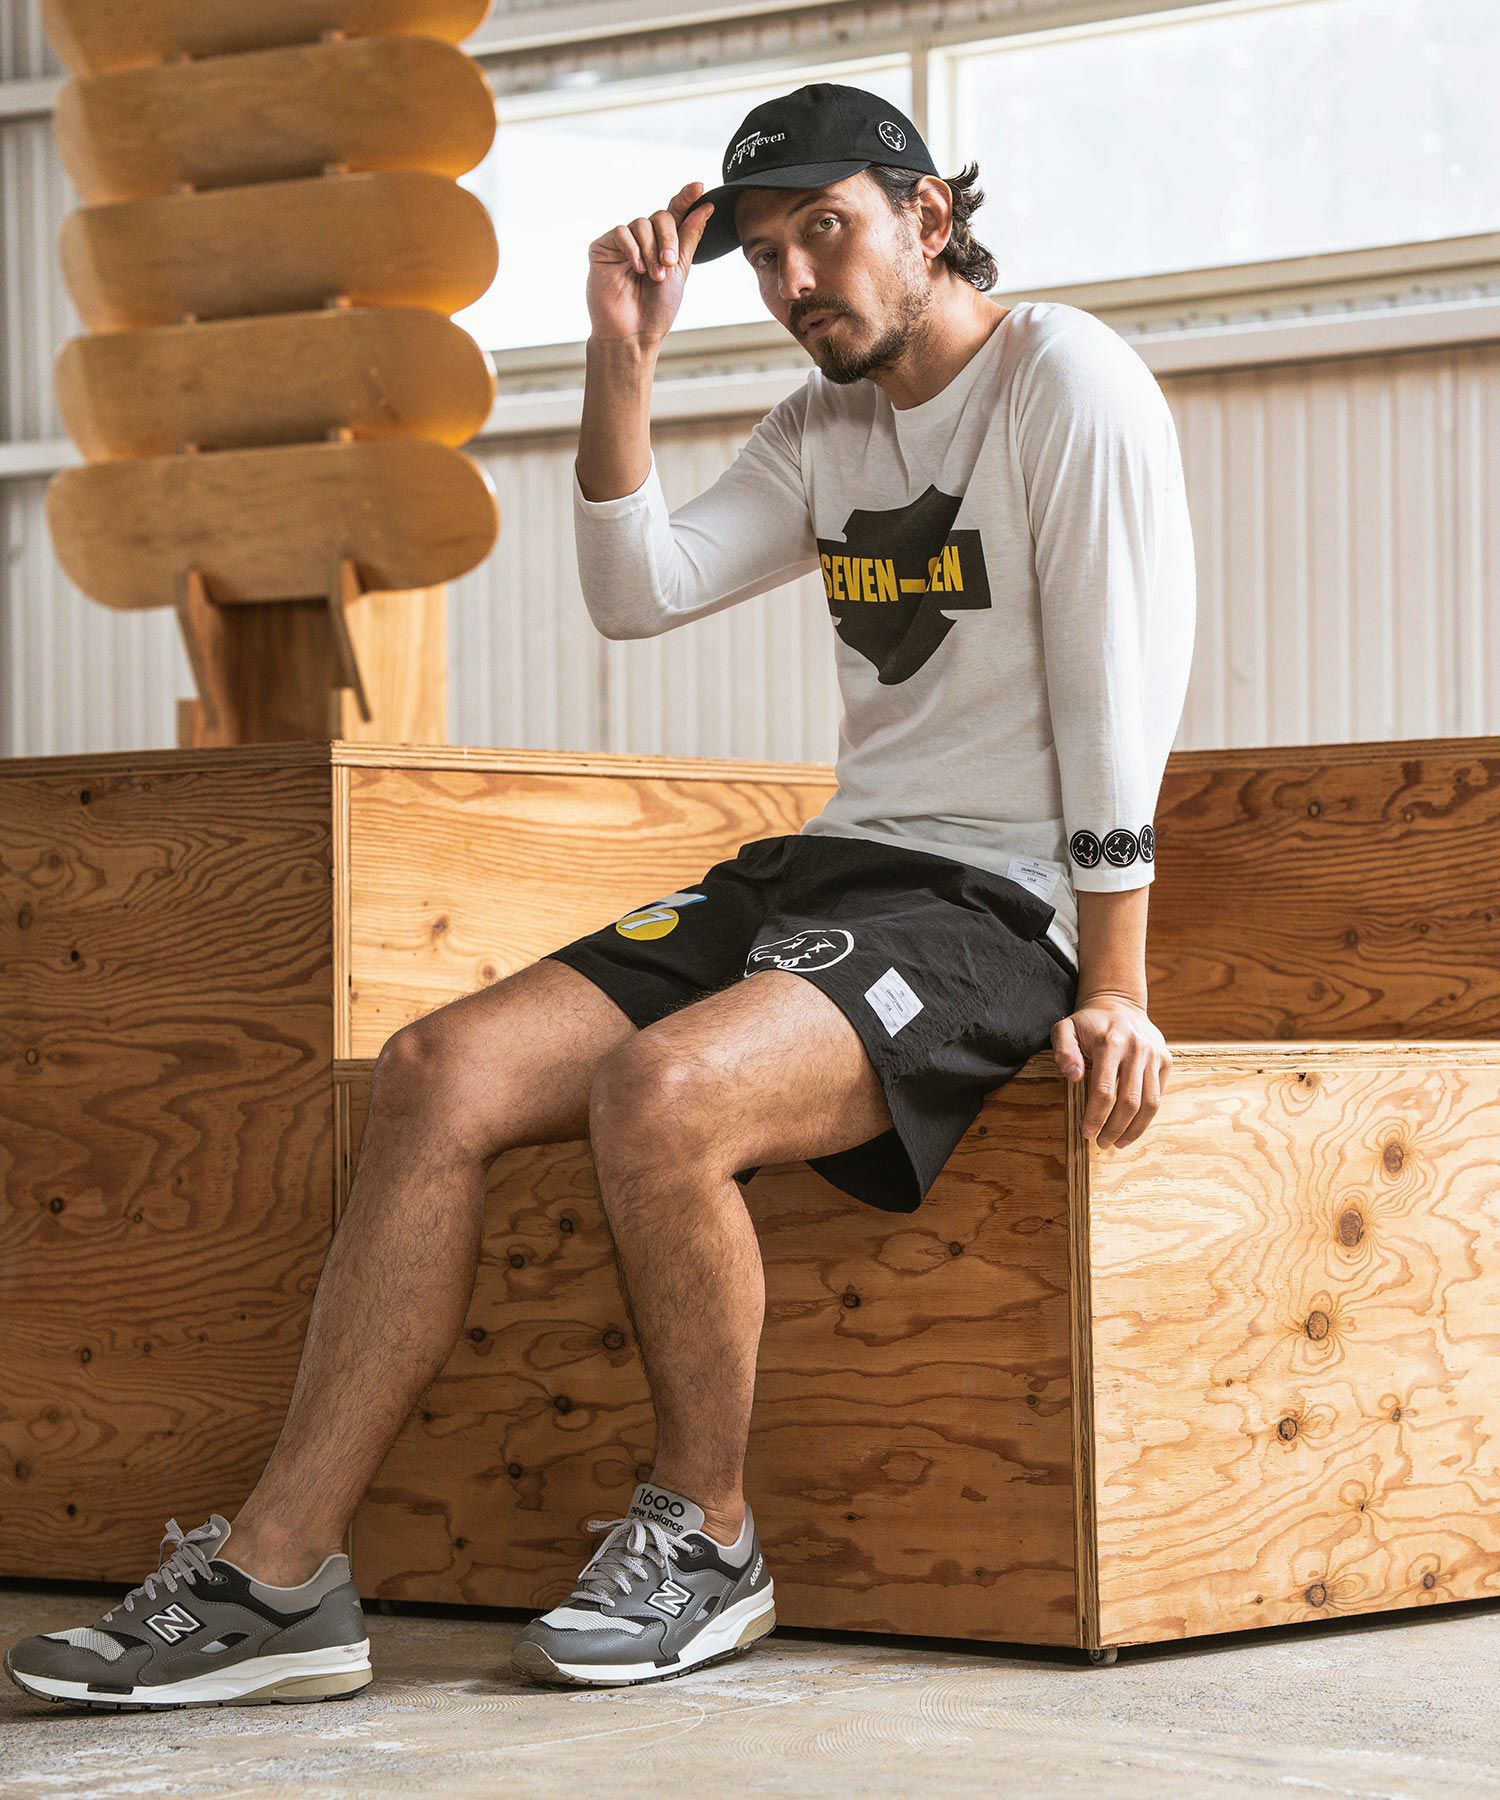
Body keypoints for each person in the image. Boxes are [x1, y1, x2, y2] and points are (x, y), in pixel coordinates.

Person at [6, 80, 1193, 1710]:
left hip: (991, 910)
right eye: (763, 254)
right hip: (834, 868)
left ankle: (710, 1538)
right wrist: (620, 355)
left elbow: (1123, 691)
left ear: (928, 216)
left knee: (662, 1091)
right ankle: (279, 1580)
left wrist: (1115, 982)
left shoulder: (1065, 378)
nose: (794, 281)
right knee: (439, 1070)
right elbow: (640, 592)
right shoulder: (827, 423)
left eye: (826, 231)